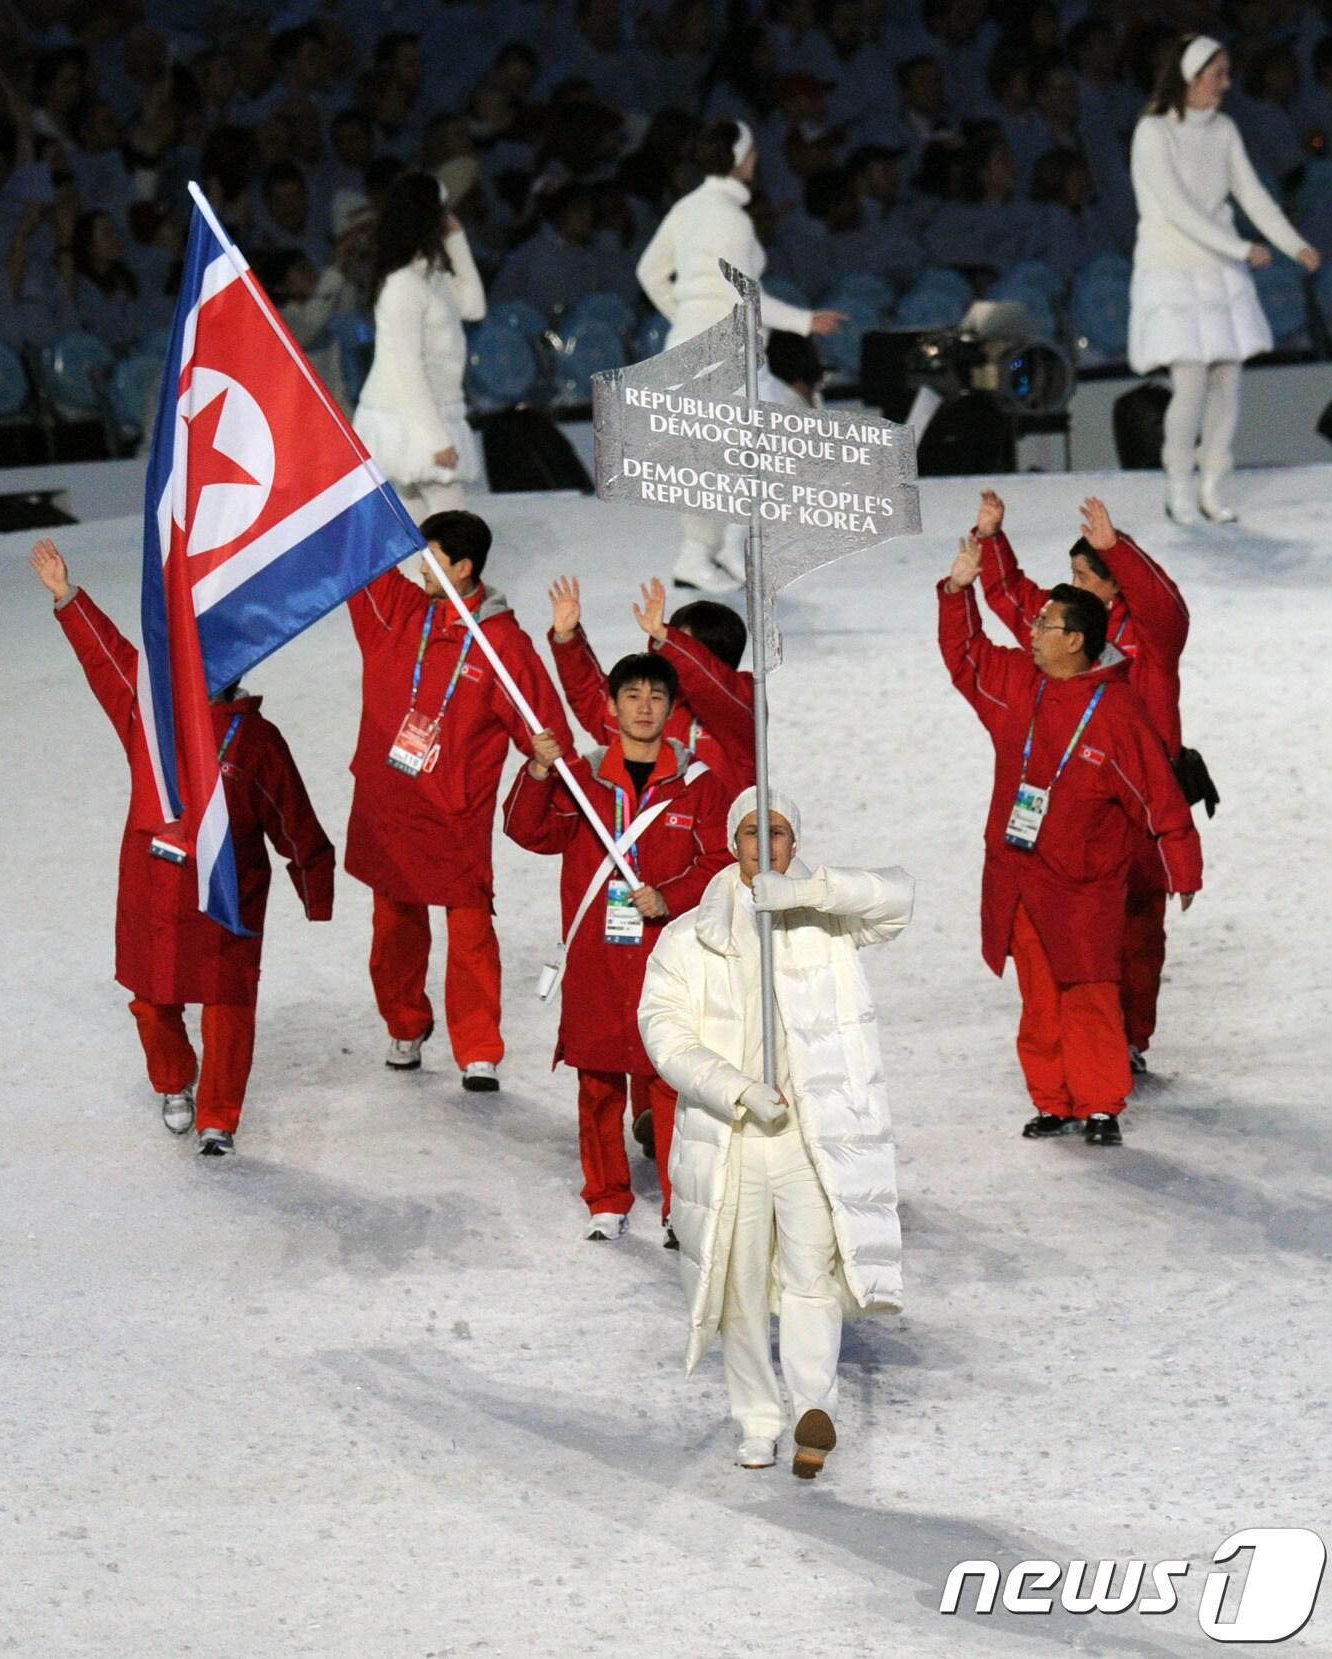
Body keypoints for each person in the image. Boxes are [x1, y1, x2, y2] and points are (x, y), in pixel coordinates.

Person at [29, 538, 334, 1157]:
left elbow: (292, 817)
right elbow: (109, 661)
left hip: (226, 893)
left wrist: (313, 883)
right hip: (155, 890)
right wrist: (67, 597)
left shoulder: (257, 740)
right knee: (151, 1000)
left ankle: (218, 1116)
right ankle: (174, 1082)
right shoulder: (152, 715)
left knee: (227, 1007)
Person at [638, 789, 912, 1476]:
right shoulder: (688, 938)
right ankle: (757, 1417)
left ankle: (813, 1409)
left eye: (780, 832)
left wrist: (805, 892)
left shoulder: (823, 919)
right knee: (737, 1284)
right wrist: (735, 1087)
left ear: (796, 843)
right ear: (733, 842)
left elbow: (897, 898)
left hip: (802, 1135)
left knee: (810, 1273)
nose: (766, 844)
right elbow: (664, 1035)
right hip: (733, 1134)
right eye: (754, 831)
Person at [938, 535, 1202, 1145]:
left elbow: (1158, 797)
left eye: (1045, 626)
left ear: (1075, 640)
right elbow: (965, 654)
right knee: (1038, 993)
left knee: (1088, 989)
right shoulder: (1016, 683)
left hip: (1084, 883)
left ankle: (1101, 1102)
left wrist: (1181, 868)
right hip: (1020, 869)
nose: (1031, 633)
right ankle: (1053, 1099)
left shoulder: (1116, 711)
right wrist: (957, 593)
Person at [503, 653, 734, 1242]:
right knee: (598, 1082)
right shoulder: (579, 778)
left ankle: (680, 1205)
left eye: (656, 697)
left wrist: (673, 896)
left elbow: (720, 865)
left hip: (667, 959)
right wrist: (535, 773)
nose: (643, 708)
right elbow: (529, 832)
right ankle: (606, 1196)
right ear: (610, 705)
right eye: (631, 695)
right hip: (598, 961)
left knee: (671, 1084)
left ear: (672, 709)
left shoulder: (699, 786)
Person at [346, 509, 572, 1092]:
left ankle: (478, 1049)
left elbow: (545, 731)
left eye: (433, 558)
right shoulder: (399, 611)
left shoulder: (501, 644)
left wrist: (546, 751)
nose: (420, 565)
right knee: (392, 927)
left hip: (454, 813)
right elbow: (353, 559)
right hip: (390, 802)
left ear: (464, 567)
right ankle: (405, 1024)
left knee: (469, 931)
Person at [973, 490, 1189, 1071]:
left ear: (1116, 583)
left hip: (1142, 799)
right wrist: (992, 539)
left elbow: (1167, 606)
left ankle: (1129, 1039)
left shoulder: (1151, 637)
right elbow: (1011, 596)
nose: (1068, 588)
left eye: (1085, 574)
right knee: (1078, 928)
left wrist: (1117, 549)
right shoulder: (1067, 633)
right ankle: (1087, 1039)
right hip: (1082, 801)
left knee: (1139, 929)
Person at [634, 117, 844, 593]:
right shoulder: (729, 219)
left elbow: (649, 272)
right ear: (736, 158)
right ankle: (697, 554)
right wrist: (806, 321)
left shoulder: (688, 208)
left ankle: (728, 545)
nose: (755, 160)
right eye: (750, 152)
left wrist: (684, 317)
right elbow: (746, 297)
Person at [1128, 34, 1322, 525]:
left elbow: (1252, 195)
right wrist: (1239, 247)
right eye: (1218, 74)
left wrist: (1292, 243)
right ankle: (1178, 482)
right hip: (1174, 268)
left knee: (1226, 381)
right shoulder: (1153, 132)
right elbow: (1177, 207)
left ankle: (1213, 482)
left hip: (1218, 271)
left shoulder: (1225, 130)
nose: (1226, 84)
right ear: (1191, 78)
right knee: (1189, 381)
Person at [353, 171, 487, 521]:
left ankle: (424, 578)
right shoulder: (402, 285)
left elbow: (474, 307)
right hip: (406, 419)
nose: (450, 218)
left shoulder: (432, 274)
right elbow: (406, 365)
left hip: (431, 411)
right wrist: (435, 438)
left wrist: (458, 241)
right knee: (452, 523)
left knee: (421, 529)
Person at [546, 573, 753, 796]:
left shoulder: (742, 706)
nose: (673, 652)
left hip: (717, 829)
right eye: (672, 643)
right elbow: (593, 697)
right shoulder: (650, 712)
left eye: (682, 646)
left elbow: (712, 683)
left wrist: (666, 638)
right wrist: (567, 640)